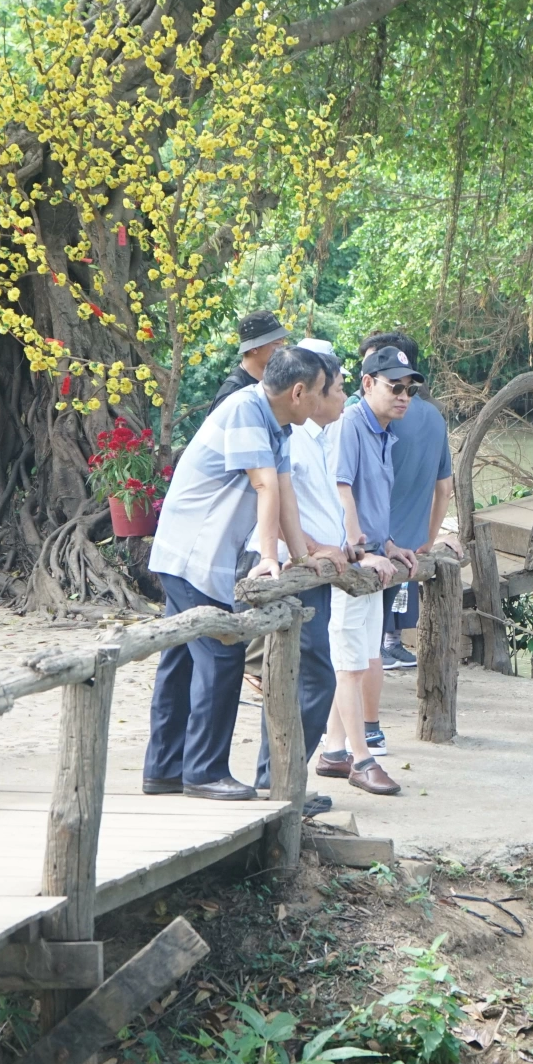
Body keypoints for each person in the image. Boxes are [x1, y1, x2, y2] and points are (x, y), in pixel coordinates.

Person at [145, 345, 328, 801]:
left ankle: (165, 770)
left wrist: (301, 556)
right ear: (299, 391)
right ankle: (204, 773)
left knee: (182, 660)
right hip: (191, 553)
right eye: (321, 392)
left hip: (197, 553)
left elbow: (284, 491)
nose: (323, 402)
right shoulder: (246, 409)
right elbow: (263, 483)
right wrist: (270, 557)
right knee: (222, 651)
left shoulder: (279, 425)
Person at [317, 347, 423, 796]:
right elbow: (340, 488)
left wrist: (389, 544)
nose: (403, 396)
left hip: (374, 556)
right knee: (349, 663)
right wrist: (360, 551)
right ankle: (361, 760)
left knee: (358, 658)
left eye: (409, 390)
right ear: (367, 384)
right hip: (349, 564)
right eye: (393, 387)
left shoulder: (383, 432)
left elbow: (371, 497)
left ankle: (334, 750)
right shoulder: (350, 425)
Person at [251, 342, 350, 811]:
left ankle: (283, 778)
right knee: (308, 679)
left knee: (302, 678)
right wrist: (305, 550)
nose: (341, 396)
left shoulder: (317, 439)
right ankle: (279, 780)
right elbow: (275, 503)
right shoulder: (296, 439)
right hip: (296, 573)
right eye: (336, 388)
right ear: (309, 392)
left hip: (314, 570)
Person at [355, 332, 460, 670]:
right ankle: (392, 646)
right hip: (412, 541)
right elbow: (445, 488)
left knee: (361, 634)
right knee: (389, 615)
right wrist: (429, 539)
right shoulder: (434, 416)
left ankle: (380, 657)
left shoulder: (371, 418)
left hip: (376, 540)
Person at [212, 310, 289, 410]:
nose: (281, 348)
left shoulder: (276, 380)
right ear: (254, 348)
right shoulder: (233, 394)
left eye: (282, 341)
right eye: (276, 343)